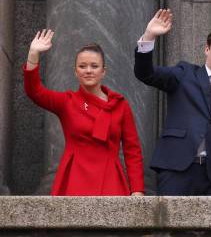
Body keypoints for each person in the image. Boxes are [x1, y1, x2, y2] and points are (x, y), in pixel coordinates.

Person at [134, 9, 211, 195]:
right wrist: (149, 37)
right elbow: (146, 73)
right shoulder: (184, 73)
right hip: (177, 169)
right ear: (207, 49)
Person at [23, 29, 144, 196]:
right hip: (74, 178)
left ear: (103, 71)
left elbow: (132, 150)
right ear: (75, 72)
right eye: (82, 66)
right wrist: (33, 53)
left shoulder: (120, 105)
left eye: (94, 66)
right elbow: (34, 91)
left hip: (111, 180)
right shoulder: (67, 101)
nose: (88, 70)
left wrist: (137, 190)